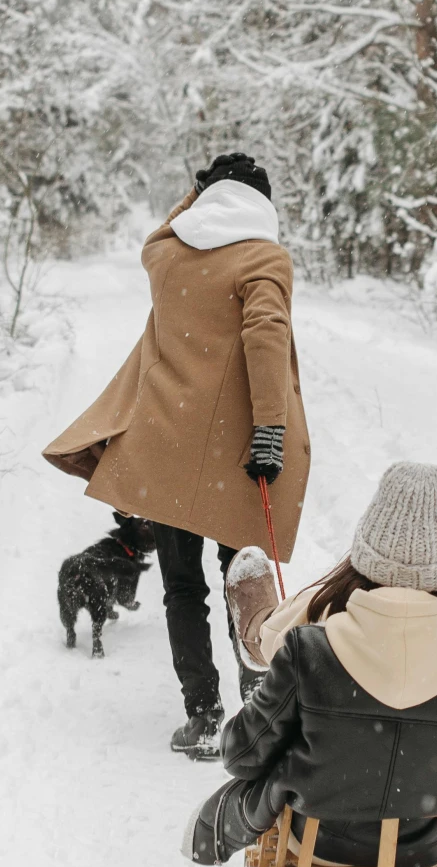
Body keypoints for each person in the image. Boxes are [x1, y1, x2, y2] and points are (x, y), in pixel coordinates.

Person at [43, 152, 311, 758]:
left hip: (164, 448)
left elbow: (168, 225)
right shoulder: (265, 259)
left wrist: (197, 195)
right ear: (262, 207)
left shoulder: (165, 256)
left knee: (181, 589)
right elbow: (266, 335)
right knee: (245, 583)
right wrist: (269, 427)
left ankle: (204, 716)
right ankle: (256, 715)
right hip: (236, 459)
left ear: (206, 199)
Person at [184, 461, 437, 867]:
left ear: (365, 557)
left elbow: (241, 756)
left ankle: (263, 633)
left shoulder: (311, 651)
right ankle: (263, 634)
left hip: (319, 840)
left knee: (283, 727)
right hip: (428, 847)